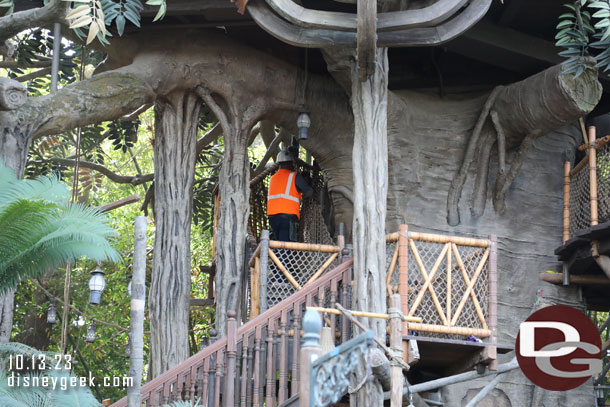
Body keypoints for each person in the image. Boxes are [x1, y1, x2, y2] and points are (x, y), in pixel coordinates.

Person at [267, 150, 313, 241]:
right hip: (287, 217)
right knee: (286, 246)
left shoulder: (273, 178)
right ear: (290, 163)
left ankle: (277, 255)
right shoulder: (294, 176)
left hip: (272, 217)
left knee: (278, 243)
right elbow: (309, 192)